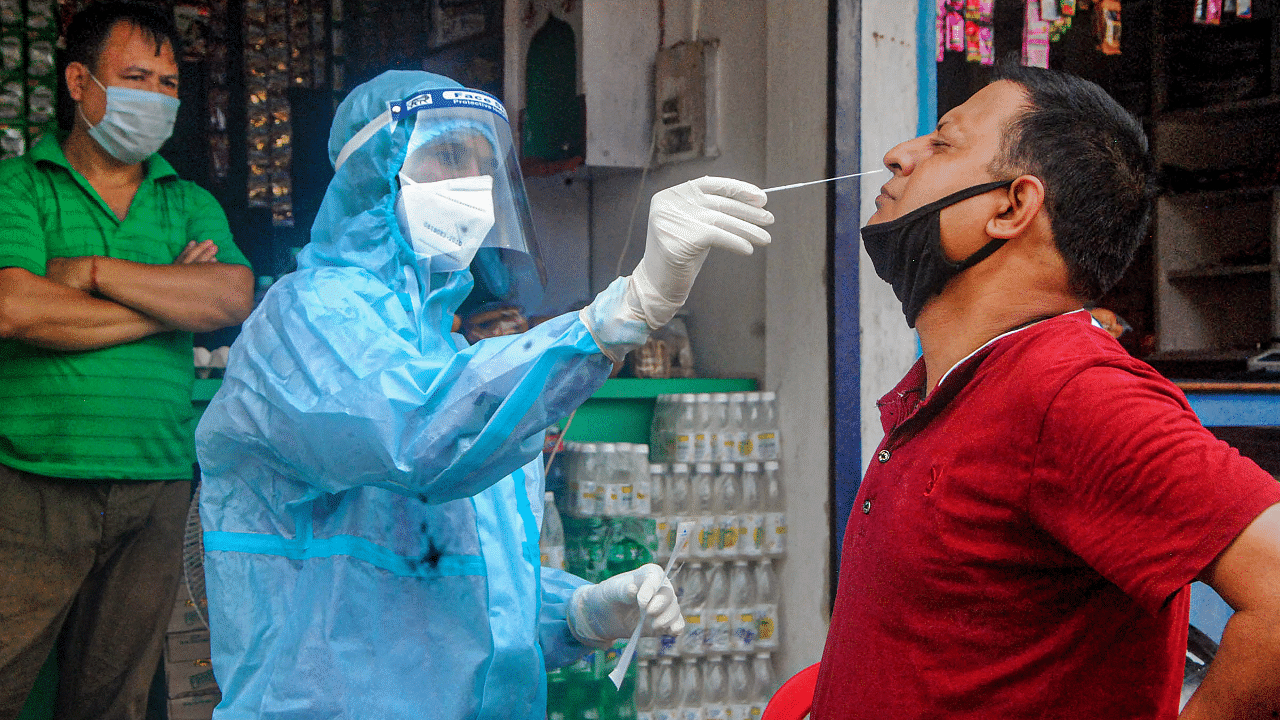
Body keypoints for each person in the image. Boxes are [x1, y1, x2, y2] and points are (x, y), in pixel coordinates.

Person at [194, 69, 773, 720]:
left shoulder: (451, 356)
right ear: (373, 171)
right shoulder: (302, 325)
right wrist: (619, 313)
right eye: (445, 155)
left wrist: (577, 611)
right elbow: (414, 434)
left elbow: (458, 586)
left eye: (481, 163)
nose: (469, 185)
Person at [811, 64, 1280, 719]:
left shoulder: (1074, 394)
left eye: (943, 143)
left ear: (1011, 206)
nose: (899, 155)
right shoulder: (949, 387)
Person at [0, 2, 254, 718]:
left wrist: (89, 271)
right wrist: (162, 303)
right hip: (31, 481)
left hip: (155, 485)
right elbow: (15, 308)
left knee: (113, 700)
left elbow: (231, 296)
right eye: (136, 76)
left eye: (170, 82)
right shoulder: (19, 186)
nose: (157, 97)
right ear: (79, 83)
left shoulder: (189, 200)